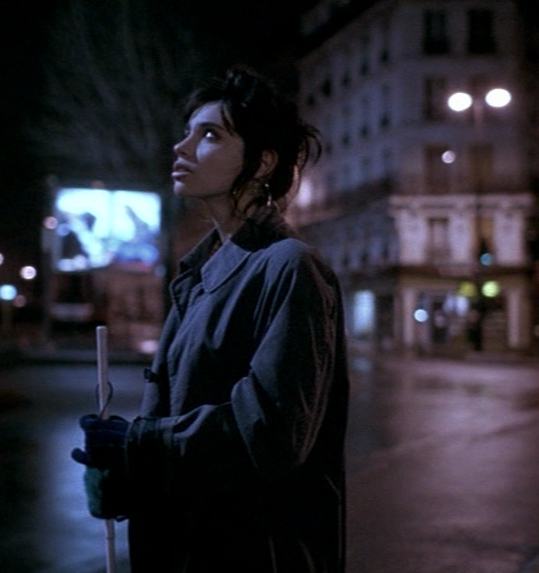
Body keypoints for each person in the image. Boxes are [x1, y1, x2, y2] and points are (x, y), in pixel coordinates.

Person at [71, 65, 350, 573]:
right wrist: (124, 476)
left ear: (262, 162)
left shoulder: (289, 266)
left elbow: (270, 436)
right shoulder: (197, 274)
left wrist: (139, 444)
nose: (181, 147)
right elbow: (184, 427)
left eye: (210, 136)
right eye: (187, 132)